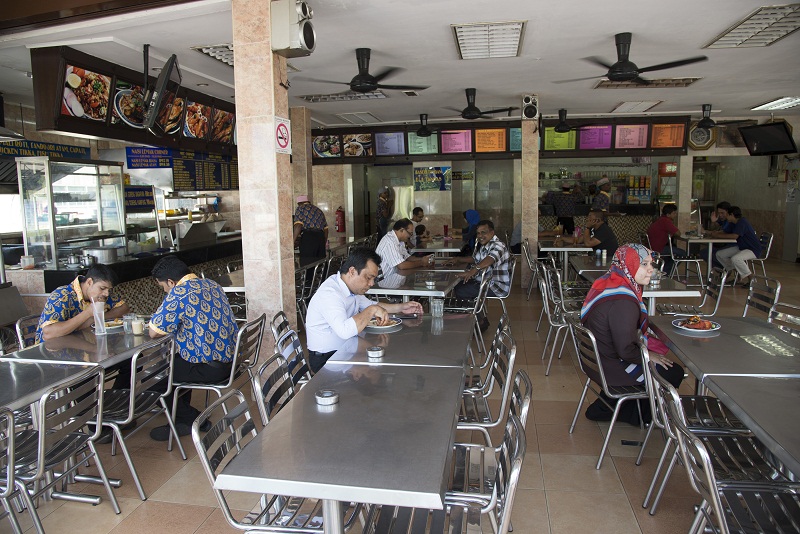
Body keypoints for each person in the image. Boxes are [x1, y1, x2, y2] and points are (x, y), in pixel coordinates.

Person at [580, 244, 684, 424]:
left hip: (597, 363)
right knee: (674, 372)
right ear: (627, 264)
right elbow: (625, 350)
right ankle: (638, 415)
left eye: (651, 264)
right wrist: (649, 355)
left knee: (663, 363)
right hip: (612, 368)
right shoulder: (624, 302)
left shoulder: (608, 282)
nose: (651, 269)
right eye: (643, 264)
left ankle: (614, 406)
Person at [147, 256, 238, 441]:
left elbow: (154, 332)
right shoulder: (211, 284)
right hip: (230, 361)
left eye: (164, 287)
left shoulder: (180, 292)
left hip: (209, 367)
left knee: (153, 381)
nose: (165, 291)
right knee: (177, 365)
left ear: (171, 282)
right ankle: (181, 419)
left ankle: (193, 419)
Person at [305, 247, 423, 372]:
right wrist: (372, 310)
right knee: (380, 365)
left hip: (347, 348)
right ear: (352, 271)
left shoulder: (350, 288)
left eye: (373, 279)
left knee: (387, 356)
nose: (372, 283)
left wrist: (402, 307)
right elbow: (344, 330)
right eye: (368, 278)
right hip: (328, 360)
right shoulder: (331, 293)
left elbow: (371, 305)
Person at [36, 264, 130, 343]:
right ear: (89, 282)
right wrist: (87, 313)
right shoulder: (62, 296)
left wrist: (94, 319)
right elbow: (48, 333)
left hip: (82, 346)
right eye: (102, 288)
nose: (106, 293)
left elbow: (124, 308)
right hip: (53, 355)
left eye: (109, 290)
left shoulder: (102, 295)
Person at [450, 220, 512, 331]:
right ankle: (477, 318)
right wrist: (458, 259)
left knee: (461, 290)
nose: (480, 236)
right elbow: (476, 259)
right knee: (461, 284)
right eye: (478, 233)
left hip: (496, 286)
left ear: (492, 232)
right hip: (486, 281)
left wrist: (473, 271)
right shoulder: (485, 244)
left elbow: (490, 259)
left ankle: (479, 322)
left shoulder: (498, 245)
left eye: (484, 232)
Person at [713, 206, 761, 287]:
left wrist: (718, 236)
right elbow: (727, 232)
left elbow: (734, 236)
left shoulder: (742, 222)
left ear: (731, 215)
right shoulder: (734, 223)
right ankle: (737, 272)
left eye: (727, 215)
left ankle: (751, 278)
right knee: (720, 254)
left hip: (752, 249)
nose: (725, 216)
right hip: (742, 247)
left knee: (736, 258)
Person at [647, 204, 685, 274]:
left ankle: (662, 270)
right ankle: (665, 271)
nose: (675, 215)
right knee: (683, 253)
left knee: (673, 252)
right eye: (674, 213)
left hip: (652, 246)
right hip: (659, 248)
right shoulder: (666, 221)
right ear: (668, 214)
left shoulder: (660, 219)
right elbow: (678, 233)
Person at [293, 195, 328, 259]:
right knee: (320, 264)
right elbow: (326, 228)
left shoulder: (300, 208)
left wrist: (292, 241)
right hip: (320, 238)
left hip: (309, 238)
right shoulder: (318, 210)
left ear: (299, 203)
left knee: (308, 263)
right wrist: (323, 241)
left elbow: (298, 225)